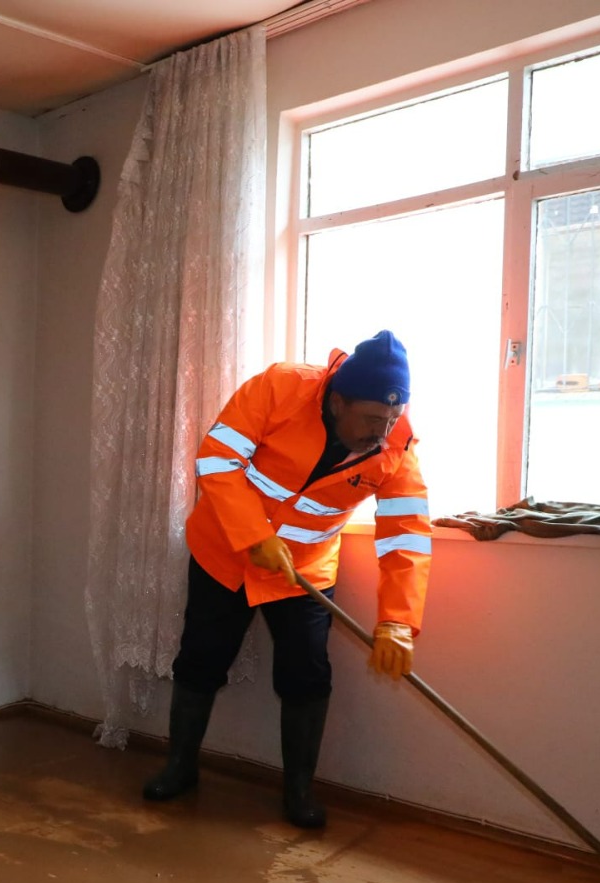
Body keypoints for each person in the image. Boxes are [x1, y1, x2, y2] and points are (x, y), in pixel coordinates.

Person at [142, 330, 432, 829]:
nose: (380, 432)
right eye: (370, 419)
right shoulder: (280, 387)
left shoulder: (396, 447)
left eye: (390, 419)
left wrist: (398, 623)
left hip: (302, 574)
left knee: (306, 675)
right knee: (201, 660)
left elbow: (405, 536)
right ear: (337, 400)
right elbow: (217, 458)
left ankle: (298, 790)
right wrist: (253, 534)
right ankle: (180, 767)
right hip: (226, 553)